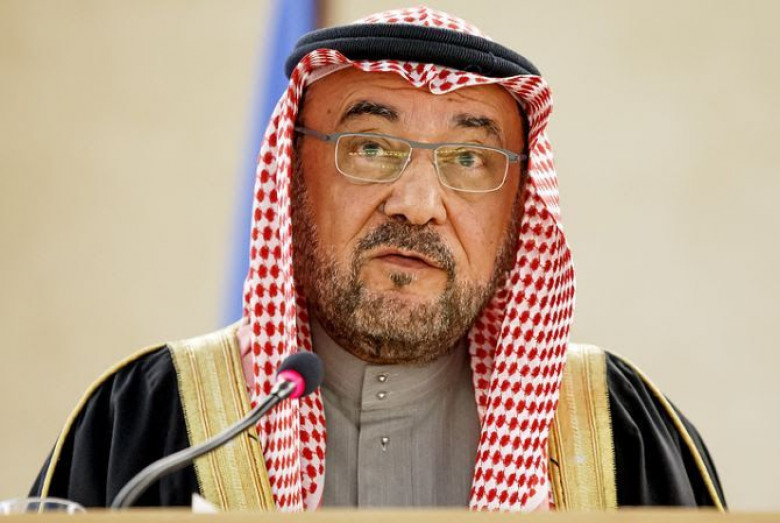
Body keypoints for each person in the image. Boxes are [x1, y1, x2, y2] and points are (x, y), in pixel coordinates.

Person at [31, 6, 726, 512]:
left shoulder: (618, 429)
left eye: (469, 159)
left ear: (518, 209)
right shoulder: (148, 421)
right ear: (291, 179)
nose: (417, 205)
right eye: (369, 148)